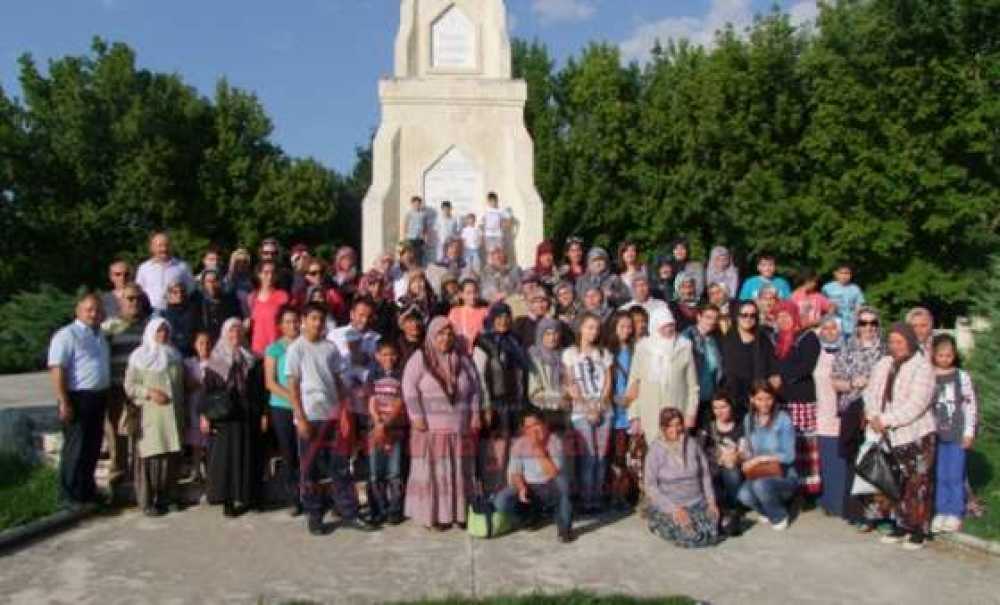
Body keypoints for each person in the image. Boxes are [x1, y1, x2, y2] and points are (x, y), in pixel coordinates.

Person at [285, 303, 374, 535]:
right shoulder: (296, 349)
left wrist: (344, 411)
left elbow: (338, 382)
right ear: (304, 320)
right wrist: (300, 417)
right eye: (313, 318)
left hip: (332, 416)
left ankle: (349, 512)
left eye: (321, 319)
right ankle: (314, 515)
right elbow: (293, 385)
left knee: (340, 467)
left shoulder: (330, 348)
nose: (317, 323)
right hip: (309, 416)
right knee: (311, 469)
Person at [863, 322, 937, 549]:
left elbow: (917, 404)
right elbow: (870, 392)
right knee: (896, 482)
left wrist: (886, 420)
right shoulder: (884, 363)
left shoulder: (922, 367)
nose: (895, 346)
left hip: (915, 434)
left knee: (918, 484)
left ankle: (919, 529)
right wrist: (874, 416)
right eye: (892, 342)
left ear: (910, 342)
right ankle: (901, 524)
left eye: (900, 342)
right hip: (886, 434)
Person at [403, 317, 482, 529]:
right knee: (435, 475)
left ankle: (459, 513)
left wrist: (475, 413)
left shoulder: (462, 359)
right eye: (440, 334)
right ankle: (435, 516)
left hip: (459, 428)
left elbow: (475, 388)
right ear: (431, 335)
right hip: (430, 429)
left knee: (458, 472)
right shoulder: (420, 358)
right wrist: (416, 416)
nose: (445, 338)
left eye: (449, 334)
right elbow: (408, 387)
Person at [48, 293, 111, 509]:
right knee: (75, 448)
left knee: (92, 447)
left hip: (97, 396)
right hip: (76, 397)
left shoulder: (99, 335)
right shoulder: (67, 335)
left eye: (97, 310)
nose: (94, 314)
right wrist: (63, 400)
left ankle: (86, 492)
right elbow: (57, 369)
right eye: (89, 309)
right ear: (78, 311)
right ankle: (68, 496)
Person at [202, 318, 268, 517]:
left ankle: (250, 497)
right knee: (227, 459)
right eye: (231, 331)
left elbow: (260, 389)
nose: (235, 336)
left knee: (250, 455)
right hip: (226, 418)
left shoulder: (253, 358)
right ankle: (228, 500)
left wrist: (264, 412)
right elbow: (208, 391)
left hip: (248, 415)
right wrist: (205, 415)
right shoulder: (216, 360)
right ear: (224, 334)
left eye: (239, 331)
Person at [123, 318, 185, 516]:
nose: (163, 335)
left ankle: (168, 497)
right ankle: (148, 501)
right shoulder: (139, 356)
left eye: (166, 331)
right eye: (159, 331)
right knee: (151, 457)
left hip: (173, 415)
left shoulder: (174, 355)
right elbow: (130, 386)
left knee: (171, 456)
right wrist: (149, 393)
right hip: (151, 414)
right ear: (151, 332)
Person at [831, 306, 885, 525]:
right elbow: (835, 380)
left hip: (877, 412)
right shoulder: (847, 348)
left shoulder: (885, 350)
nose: (868, 327)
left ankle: (876, 513)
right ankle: (854, 512)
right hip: (852, 408)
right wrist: (853, 383)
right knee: (854, 461)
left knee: (875, 461)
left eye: (873, 323)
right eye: (863, 323)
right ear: (857, 325)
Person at [645, 407, 721, 548]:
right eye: (670, 426)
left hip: (697, 503)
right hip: (671, 506)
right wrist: (674, 509)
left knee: (718, 528)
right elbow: (650, 486)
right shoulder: (655, 450)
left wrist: (711, 502)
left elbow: (705, 475)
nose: (675, 429)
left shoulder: (693, 444)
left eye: (678, 424)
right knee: (692, 537)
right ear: (663, 428)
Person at [494, 412, 574, 543]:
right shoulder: (519, 444)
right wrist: (521, 488)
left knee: (563, 483)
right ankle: (529, 520)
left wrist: (537, 447)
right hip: (529, 487)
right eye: (528, 427)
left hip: (549, 486)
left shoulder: (555, 441)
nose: (532, 430)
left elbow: (552, 472)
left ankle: (564, 528)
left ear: (545, 425)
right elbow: (515, 472)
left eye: (536, 425)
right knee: (501, 501)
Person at [474, 303, 529, 492]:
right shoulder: (483, 341)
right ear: (492, 318)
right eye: (499, 316)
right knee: (496, 452)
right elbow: (479, 376)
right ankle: (492, 493)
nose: (503, 320)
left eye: (507, 316)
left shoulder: (516, 340)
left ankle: (512, 494)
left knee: (514, 452)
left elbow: (523, 374)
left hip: (515, 404)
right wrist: (486, 405)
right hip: (495, 405)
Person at [562, 312, 614, 512]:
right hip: (581, 411)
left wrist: (599, 405)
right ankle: (585, 499)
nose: (593, 332)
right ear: (581, 328)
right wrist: (586, 407)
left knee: (601, 457)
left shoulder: (604, 353)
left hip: (603, 409)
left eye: (596, 328)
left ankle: (597, 498)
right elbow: (571, 383)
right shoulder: (570, 353)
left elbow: (608, 381)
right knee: (588, 456)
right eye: (589, 327)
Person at [929, 334, 978, 534]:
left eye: (948, 355)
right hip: (936, 435)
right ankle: (941, 510)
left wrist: (969, 432)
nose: (944, 359)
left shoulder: (962, 377)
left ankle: (955, 512)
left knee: (955, 475)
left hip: (957, 434)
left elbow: (970, 405)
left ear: (954, 355)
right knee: (940, 474)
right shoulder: (929, 376)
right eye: (940, 355)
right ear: (934, 355)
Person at [772, 300, 822, 496]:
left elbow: (806, 366)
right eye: (779, 316)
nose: (783, 320)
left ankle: (809, 488)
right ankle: (791, 487)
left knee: (805, 445)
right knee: (787, 444)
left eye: (786, 315)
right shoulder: (777, 339)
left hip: (802, 399)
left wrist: (782, 377)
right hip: (783, 400)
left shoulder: (807, 337)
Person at [101, 283, 148, 487]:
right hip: (116, 386)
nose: (134, 302)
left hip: (139, 388)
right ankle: (118, 472)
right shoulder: (109, 327)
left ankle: (139, 475)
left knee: (140, 432)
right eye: (129, 298)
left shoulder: (149, 326)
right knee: (116, 431)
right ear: (121, 301)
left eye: (137, 298)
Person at [627, 307, 699, 441]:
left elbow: (693, 386)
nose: (669, 330)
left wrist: (690, 414)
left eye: (671, 325)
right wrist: (634, 415)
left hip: (676, 415)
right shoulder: (643, 348)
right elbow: (634, 383)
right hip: (649, 414)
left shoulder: (684, 347)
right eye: (664, 326)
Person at [739, 381, 798, 530]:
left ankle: (779, 516)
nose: (764, 403)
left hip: (783, 475)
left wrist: (761, 458)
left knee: (761, 486)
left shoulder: (783, 419)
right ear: (752, 399)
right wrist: (743, 457)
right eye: (759, 399)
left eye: (768, 398)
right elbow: (749, 451)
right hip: (759, 474)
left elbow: (789, 456)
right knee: (743, 495)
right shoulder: (748, 419)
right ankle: (767, 510)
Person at [264, 306, 302, 516]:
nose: (292, 325)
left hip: (305, 406)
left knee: (304, 450)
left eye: (295, 321)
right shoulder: (274, 349)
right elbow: (270, 382)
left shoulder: (305, 345)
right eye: (287, 321)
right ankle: (293, 497)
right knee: (288, 452)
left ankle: (309, 493)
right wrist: (292, 397)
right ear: (280, 325)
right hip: (282, 406)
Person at [367, 340, 407, 525]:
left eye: (391, 354)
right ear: (377, 356)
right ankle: (379, 509)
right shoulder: (372, 375)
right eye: (384, 354)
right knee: (376, 472)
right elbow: (371, 401)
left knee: (394, 472)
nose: (388, 358)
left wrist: (387, 424)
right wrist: (377, 423)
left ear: (397, 356)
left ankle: (394, 509)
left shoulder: (401, 375)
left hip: (394, 429)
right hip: (376, 429)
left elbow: (400, 402)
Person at [720, 300, 780, 418]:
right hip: (733, 397)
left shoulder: (763, 339)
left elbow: (773, 366)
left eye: (752, 315)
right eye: (744, 315)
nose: (748, 318)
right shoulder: (727, 339)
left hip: (758, 397)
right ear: (737, 316)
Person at [698, 391, 747, 536]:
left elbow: (744, 451)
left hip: (734, 468)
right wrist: (719, 458)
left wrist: (735, 457)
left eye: (723, 407)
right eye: (716, 408)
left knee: (732, 472)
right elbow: (700, 451)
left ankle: (734, 507)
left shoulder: (741, 426)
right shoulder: (709, 427)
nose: (719, 412)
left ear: (731, 406)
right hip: (713, 468)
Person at [814, 315, 848, 517]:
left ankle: (839, 503)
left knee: (838, 462)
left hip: (840, 415)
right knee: (824, 461)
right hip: (819, 413)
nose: (829, 331)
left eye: (833, 328)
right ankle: (825, 501)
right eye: (825, 328)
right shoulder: (814, 351)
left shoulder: (847, 352)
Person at [606, 311, 639, 509]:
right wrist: (614, 398)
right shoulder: (608, 351)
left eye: (629, 326)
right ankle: (615, 494)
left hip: (632, 408)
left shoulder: (636, 349)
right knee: (615, 456)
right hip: (614, 410)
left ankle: (628, 493)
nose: (626, 330)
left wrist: (631, 397)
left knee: (630, 456)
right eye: (622, 326)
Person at [681, 305, 723, 428]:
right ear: (699, 317)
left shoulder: (714, 338)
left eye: (715, 318)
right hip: (694, 394)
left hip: (710, 393)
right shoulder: (688, 336)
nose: (712, 322)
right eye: (708, 317)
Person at [135, 232, 196, 312]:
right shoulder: (144, 268)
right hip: (151, 312)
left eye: (167, 245)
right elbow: (139, 291)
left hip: (176, 311)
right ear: (152, 248)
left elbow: (190, 289)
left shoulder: (182, 267)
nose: (164, 249)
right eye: (160, 246)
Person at [527, 318, 570, 432]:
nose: (552, 338)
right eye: (548, 334)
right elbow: (534, 393)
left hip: (566, 409)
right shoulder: (534, 357)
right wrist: (558, 398)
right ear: (541, 335)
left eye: (555, 333)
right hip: (544, 412)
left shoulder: (565, 355)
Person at [183, 331, 212, 484]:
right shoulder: (189, 363)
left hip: (210, 406)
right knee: (196, 442)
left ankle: (210, 471)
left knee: (208, 440)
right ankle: (196, 471)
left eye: (207, 343)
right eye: (201, 343)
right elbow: (187, 385)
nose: (204, 347)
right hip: (194, 405)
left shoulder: (216, 362)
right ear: (195, 345)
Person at [247, 260, 291, 356]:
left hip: (277, 348)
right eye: (266, 273)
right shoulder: (252, 297)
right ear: (259, 275)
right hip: (257, 350)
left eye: (273, 273)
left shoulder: (282, 296)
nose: (270, 276)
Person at [192, 269, 242, 341]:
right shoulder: (198, 303)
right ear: (203, 284)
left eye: (215, 281)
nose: (212, 284)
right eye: (208, 281)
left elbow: (237, 320)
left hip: (226, 341)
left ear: (220, 282)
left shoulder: (231, 302)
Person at [822, 264, 865, 340]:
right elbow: (821, 307)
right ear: (836, 274)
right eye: (842, 273)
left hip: (850, 327)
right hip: (833, 327)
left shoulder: (855, 289)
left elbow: (859, 308)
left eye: (847, 273)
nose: (844, 276)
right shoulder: (827, 288)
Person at [448, 278, 490, 354]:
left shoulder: (485, 311)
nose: (472, 296)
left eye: (475, 292)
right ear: (461, 294)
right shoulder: (455, 312)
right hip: (460, 351)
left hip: (479, 351)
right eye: (468, 293)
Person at [161, 279, 197, 357]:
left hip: (190, 354)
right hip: (169, 354)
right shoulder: (162, 315)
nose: (179, 295)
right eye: (175, 292)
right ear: (169, 294)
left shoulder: (194, 312)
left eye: (182, 291)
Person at [401, 195, 430, 266]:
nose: (417, 205)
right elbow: (405, 225)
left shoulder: (424, 214)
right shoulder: (409, 214)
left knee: (419, 254)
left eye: (418, 203)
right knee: (409, 254)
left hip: (419, 238)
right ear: (412, 204)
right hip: (410, 238)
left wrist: (426, 238)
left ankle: (419, 267)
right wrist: (405, 237)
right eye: (415, 203)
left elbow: (425, 227)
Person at [224, 248, 254, 317]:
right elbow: (226, 291)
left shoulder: (251, 280)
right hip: (233, 317)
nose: (241, 264)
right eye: (238, 261)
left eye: (244, 261)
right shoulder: (228, 279)